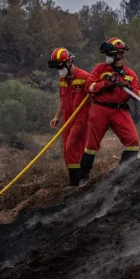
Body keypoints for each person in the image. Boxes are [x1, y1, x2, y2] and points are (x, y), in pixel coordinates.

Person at [79, 37, 140, 181]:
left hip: (119, 110)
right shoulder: (100, 69)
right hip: (100, 109)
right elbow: (89, 87)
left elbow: (139, 94)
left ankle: (123, 173)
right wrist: (105, 84)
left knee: (133, 141)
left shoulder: (130, 74)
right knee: (91, 145)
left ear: (120, 54)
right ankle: (82, 178)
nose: (107, 57)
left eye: (110, 54)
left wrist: (128, 88)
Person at [47, 47, 92, 187]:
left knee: (71, 147)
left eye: (61, 67)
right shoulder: (62, 79)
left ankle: (79, 181)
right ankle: (76, 182)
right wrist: (57, 117)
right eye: (57, 68)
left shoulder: (84, 77)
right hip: (67, 119)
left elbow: (95, 97)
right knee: (67, 152)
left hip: (81, 118)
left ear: (69, 62)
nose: (59, 70)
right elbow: (63, 100)